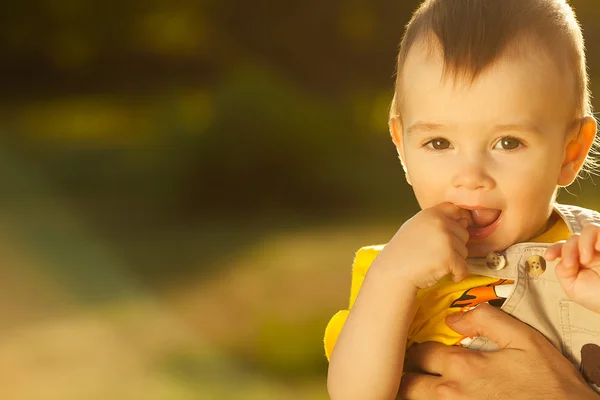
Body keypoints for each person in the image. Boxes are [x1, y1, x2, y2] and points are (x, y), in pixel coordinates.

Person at [324, 1, 600, 399]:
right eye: (439, 142)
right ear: (402, 149)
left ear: (570, 152)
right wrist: (392, 280)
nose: (470, 177)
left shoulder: (591, 251)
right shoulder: (392, 274)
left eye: (508, 142)